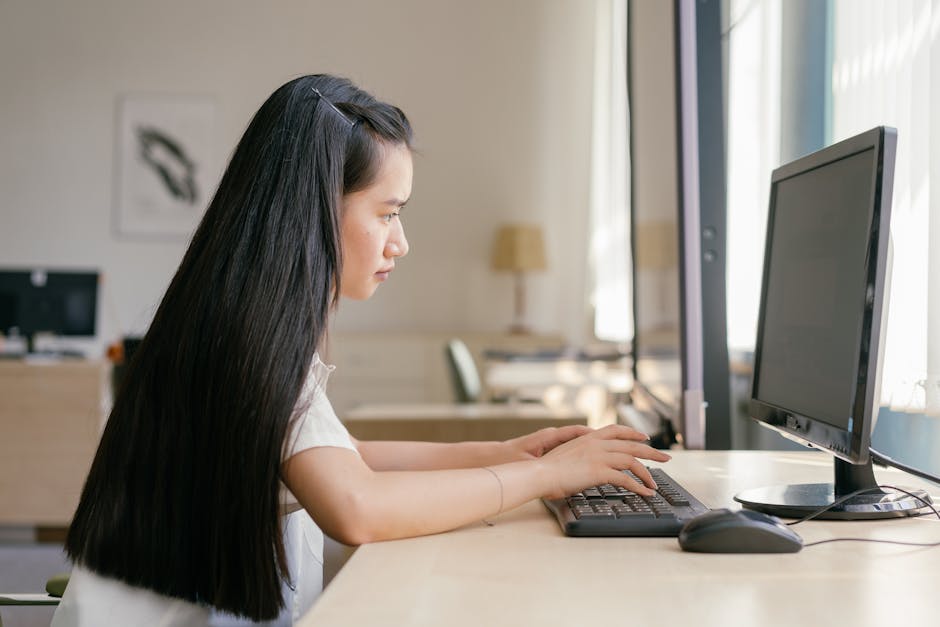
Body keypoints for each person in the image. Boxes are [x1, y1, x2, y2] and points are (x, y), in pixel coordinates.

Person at [52, 74, 671, 626]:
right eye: (387, 213)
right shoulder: (246, 340)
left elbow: (340, 458)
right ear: (317, 211)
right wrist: (542, 476)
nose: (399, 242)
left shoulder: (242, 315)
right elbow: (357, 508)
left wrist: (505, 452)